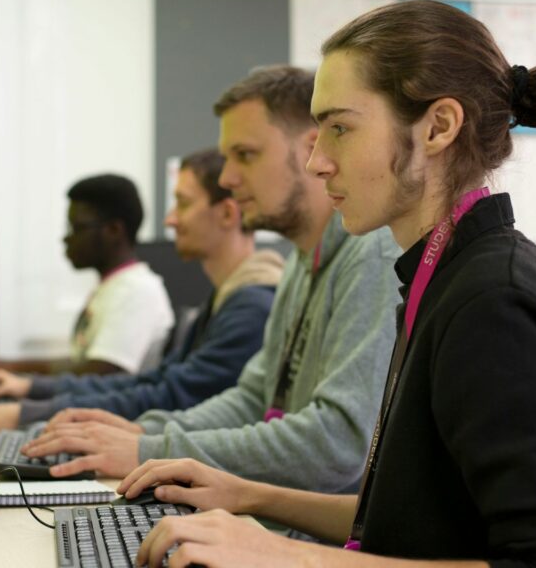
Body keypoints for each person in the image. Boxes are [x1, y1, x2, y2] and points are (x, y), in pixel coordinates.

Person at [117, 0, 536, 568]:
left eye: (340, 128)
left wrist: (287, 556)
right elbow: (413, 518)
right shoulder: (442, 276)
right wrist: (250, 496)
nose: (316, 162)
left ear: (438, 127)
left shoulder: (494, 305)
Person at [21, 66, 402, 495]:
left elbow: (337, 447)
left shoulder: (373, 255)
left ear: (310, 150)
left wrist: (151, 449)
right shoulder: (299, 260)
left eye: (246, 154)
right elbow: (253, 399)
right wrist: (142, 435)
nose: (227, 178)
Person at [0, 149, 284, 432]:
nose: (170, 219)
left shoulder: (250, 306)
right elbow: (162, 382)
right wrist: (32, 393)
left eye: (183, 203)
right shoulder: (222, 300)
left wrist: (32, 410)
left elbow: (170, 395)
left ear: (226, 214)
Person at [0, 174, 174, 377]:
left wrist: (18, 377)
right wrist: (7, 367)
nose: (67, 239)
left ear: (113, 230)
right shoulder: (113, 287)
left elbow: (100, 372)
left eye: (77, 228)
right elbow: (82, 362)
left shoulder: (137, 291)